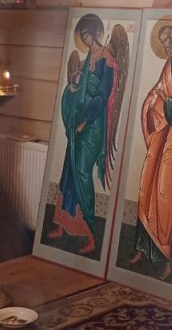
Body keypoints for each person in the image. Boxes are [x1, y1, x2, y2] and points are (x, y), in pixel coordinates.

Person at [129, 25, 172, 280]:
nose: (167, 43)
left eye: (169, 38)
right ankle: (144, 245)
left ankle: (165, 253)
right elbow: (159, 89)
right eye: (163, 40)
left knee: (163, 188)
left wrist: (160, 102)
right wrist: (153, 100)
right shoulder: (169, 63)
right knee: (146, 183)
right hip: (164, 125)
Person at [48, 13, 123, 256]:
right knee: (68, 170)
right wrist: (72, 88)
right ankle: (62, 224)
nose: (86, 39)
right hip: (79, 123)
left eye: (88, 35)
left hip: (93, 125)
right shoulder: (86, 60)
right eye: (83, 37)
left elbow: (102, 96)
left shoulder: (107, 60)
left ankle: (90, 232)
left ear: (96, 33)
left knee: (81, 172)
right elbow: (79, 89)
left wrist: (85, 121)